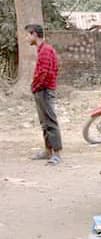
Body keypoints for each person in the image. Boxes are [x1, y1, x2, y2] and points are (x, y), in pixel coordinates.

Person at [26, 24, 62, 165]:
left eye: (28, 35)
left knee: (50, 121)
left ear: (34, 34)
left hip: (45, 90)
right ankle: (48, 151)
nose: (27, 38)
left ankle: (57, 153)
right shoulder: (43, 50)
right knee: (44, 122)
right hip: (42, 89)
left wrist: (35, 86)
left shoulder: (46, 50)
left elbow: (44, 73)